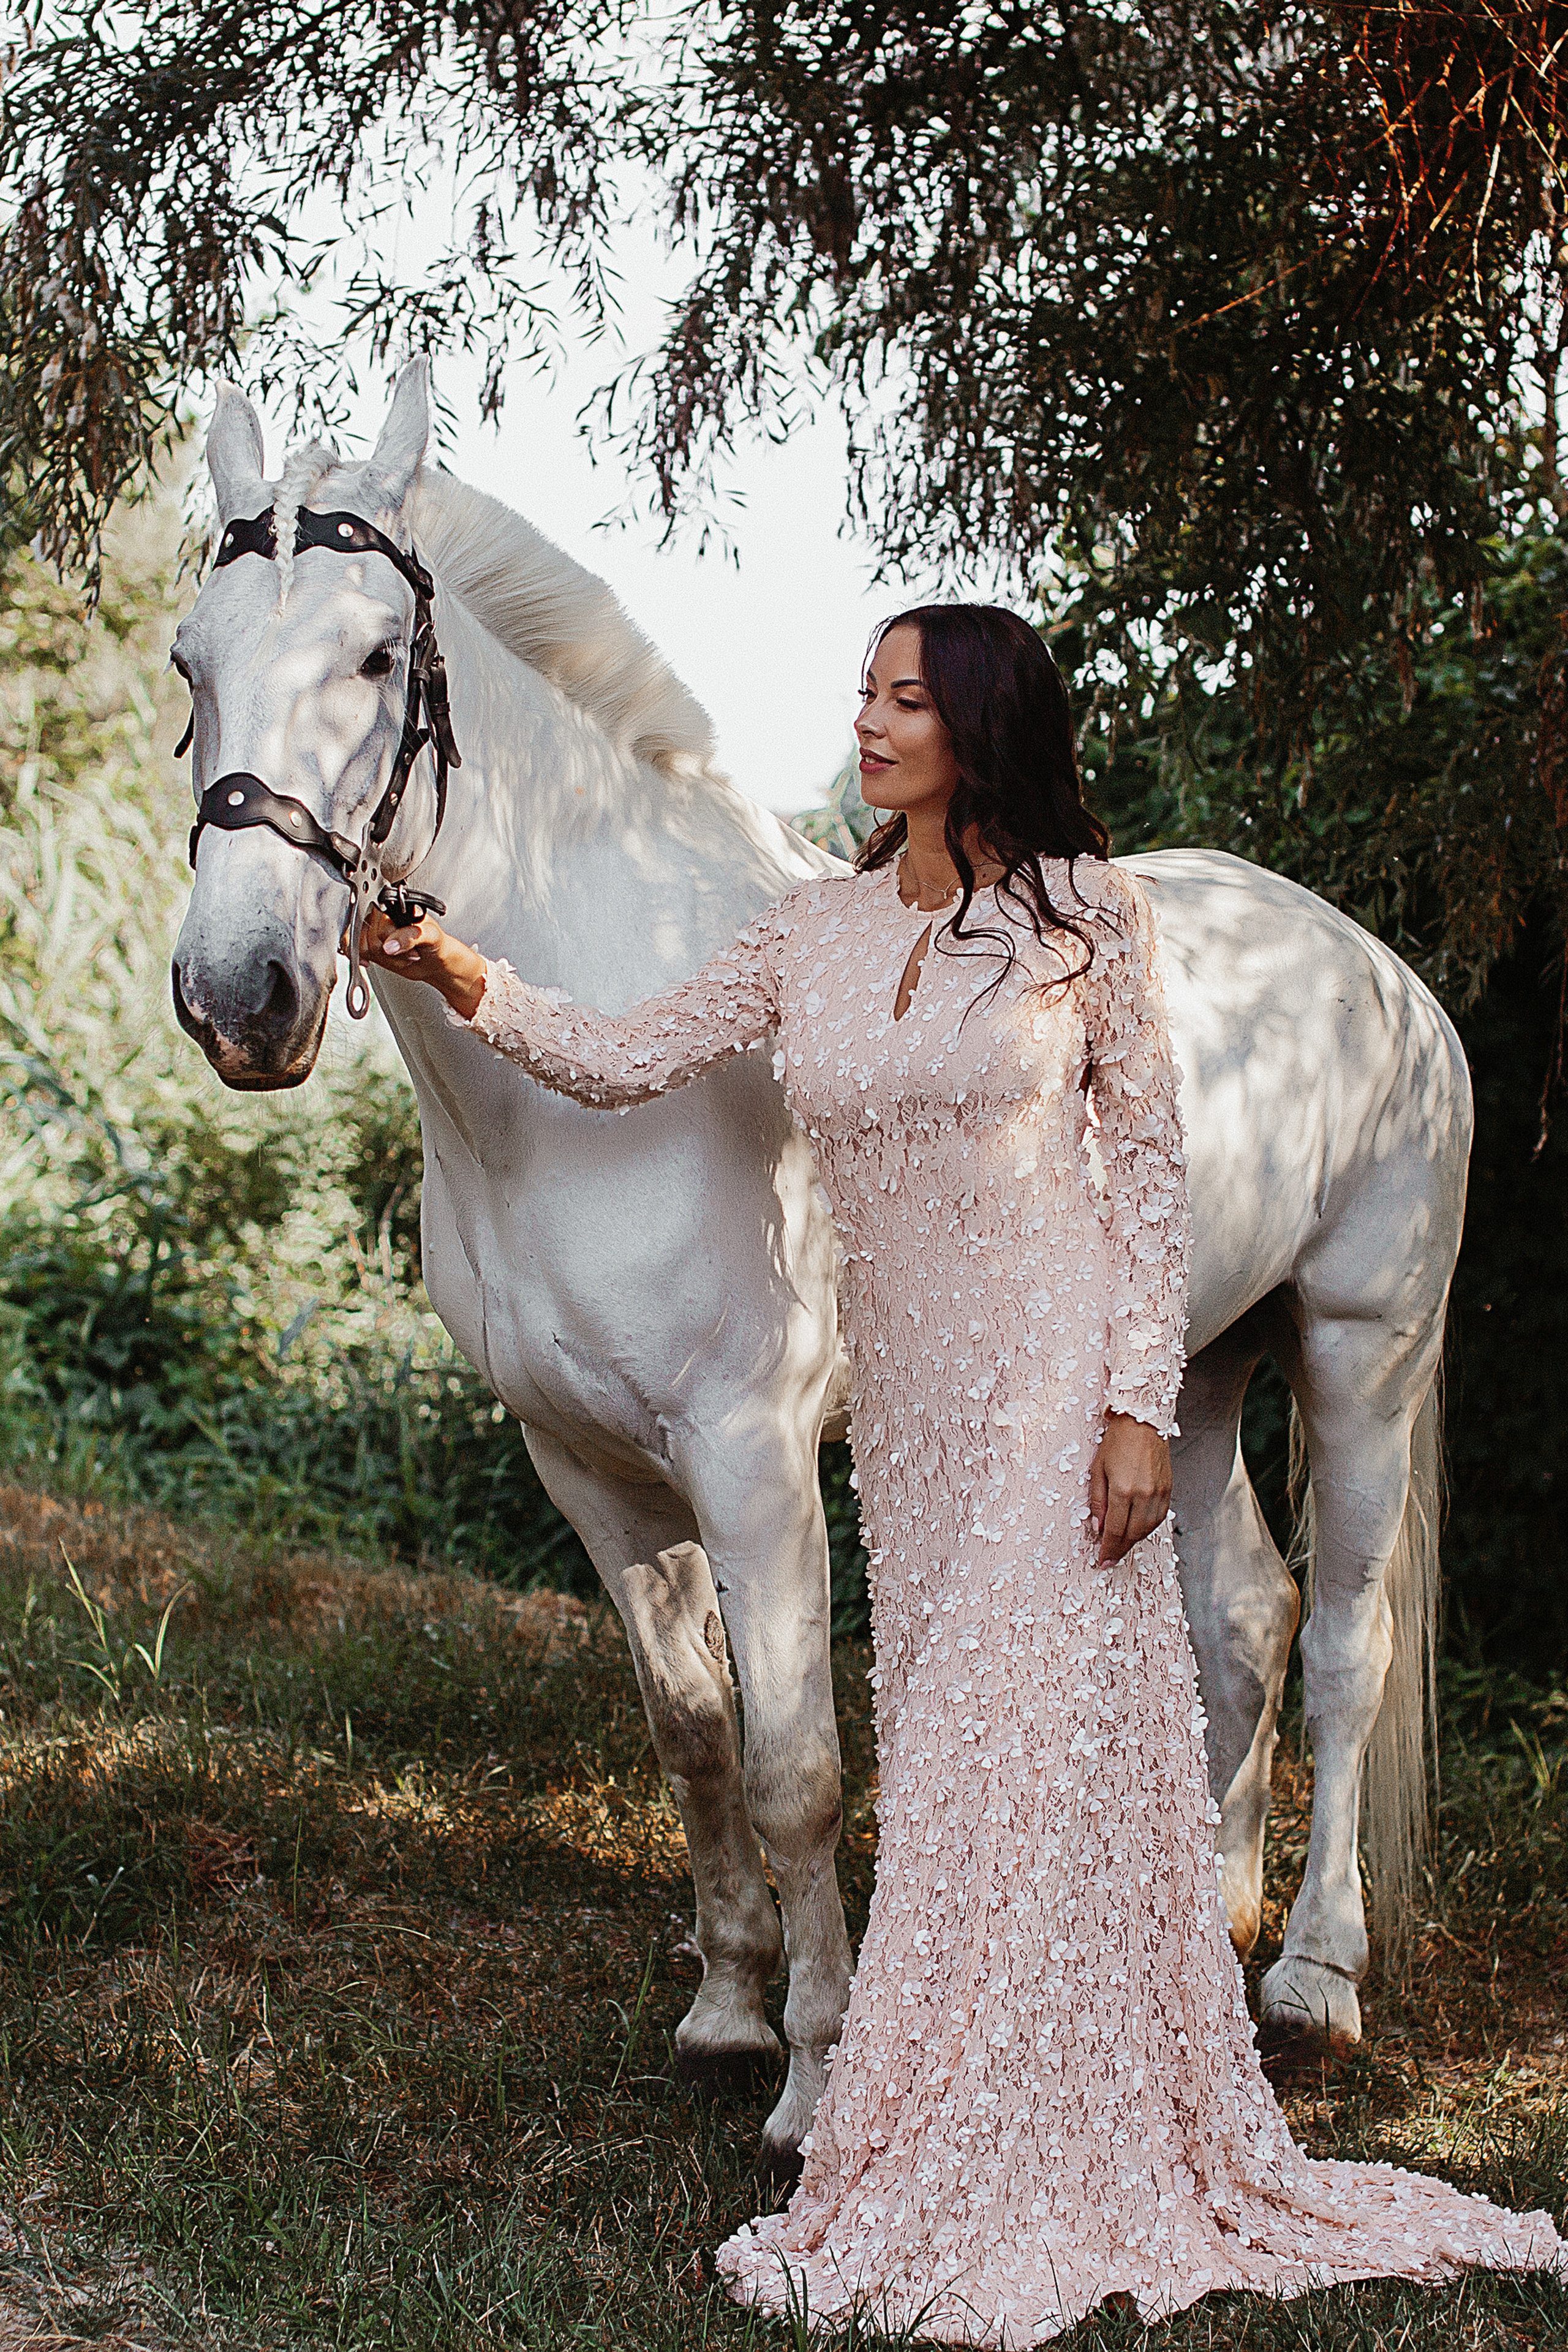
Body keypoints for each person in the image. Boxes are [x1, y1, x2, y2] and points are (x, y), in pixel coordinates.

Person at [361, 605, 1565, 2343]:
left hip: (1056, 1382)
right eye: (863, 692)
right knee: (948, 1757)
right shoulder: (816, 933)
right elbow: (627, 1057)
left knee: (1023, 1738)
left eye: (905, 699)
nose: (868, 723)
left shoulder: (1089, 922)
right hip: (911, 1424)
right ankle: (973, 2101)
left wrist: (1141, 1409)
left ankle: (1074, 2116)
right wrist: (463, 976)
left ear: (981, 727)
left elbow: (1145, 1171)